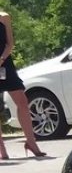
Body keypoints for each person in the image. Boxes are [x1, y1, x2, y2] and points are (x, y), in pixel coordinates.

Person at [0, 12, 45, 159]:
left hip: (5, 64)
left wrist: (1, 59)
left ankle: (31, 143)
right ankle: (2, 150)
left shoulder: (4, 17)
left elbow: (10, 43)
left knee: (22, 101)